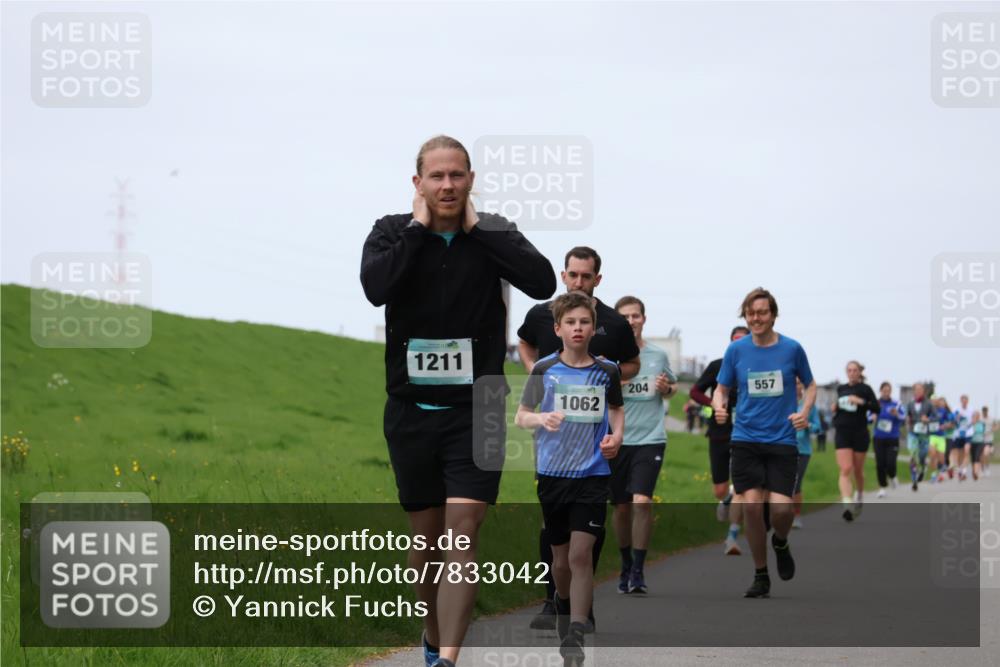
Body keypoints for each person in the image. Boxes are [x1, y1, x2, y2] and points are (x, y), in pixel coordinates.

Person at [360, 135, 556, 667]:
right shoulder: (390, 232)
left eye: (458, 175)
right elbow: (376, 288)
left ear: (471, 180)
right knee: (425, 550)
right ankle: (432, 633)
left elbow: (542, 281)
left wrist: (479, 231)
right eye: (437, 176)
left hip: (482, 408)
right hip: (411, 412)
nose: (448, 185)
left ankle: (447, 658)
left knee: (462, 535)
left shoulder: (492, 232)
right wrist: (419, 231)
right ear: (418, 183)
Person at [517, 246, 639, 632]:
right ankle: (557, 598)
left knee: (582, 550)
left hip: (593, 465)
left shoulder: (612, 335)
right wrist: (541, 397)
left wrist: (616, 435)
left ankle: (579, 619)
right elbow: (522, 411)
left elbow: (624, 381)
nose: (579, 281)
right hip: (553, 466)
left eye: (587, 276)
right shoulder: (541, 330)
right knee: (559, 550)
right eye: (573, 274)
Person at [712, 287, 816, 599]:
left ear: (773, 315)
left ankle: (780, 541)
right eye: (751, 313)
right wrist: (719, 405)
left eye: (762, 312)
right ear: (745, 315)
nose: (756, 318)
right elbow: (722, 387)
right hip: (745, 439)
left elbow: (810, 386)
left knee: (782, 510)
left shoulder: (792, 349)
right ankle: (761, 574)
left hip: (782, 440)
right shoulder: (737, 351)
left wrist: (804, 411)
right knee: (753, 507)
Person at [611, 295, 678, 594]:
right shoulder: (608, 357)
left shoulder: (657, 355)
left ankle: (638, 570)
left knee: (642, 501)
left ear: (644, 319)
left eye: (635, 316)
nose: (631, 321)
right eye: (624, 317)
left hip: (650, 439)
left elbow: (673, 386)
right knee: (622, 508)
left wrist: (667, 389)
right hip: (617, 439)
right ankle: (625, 563)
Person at [690, 325, 750, 555]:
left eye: (744, 340)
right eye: (735, 340)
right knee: (720, 489)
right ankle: (725, 500)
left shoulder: (754, 367)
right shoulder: (718, 365)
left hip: (745, 433)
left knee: (742, 487)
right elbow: (695, 392)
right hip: (719, 432)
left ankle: (732, 537)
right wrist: (714, 406)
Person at [830, 361, 880, 522]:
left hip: (859, 433)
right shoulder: (841, 389)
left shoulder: (865, 389)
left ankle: (859, 494)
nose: (852, 373)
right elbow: (838, 405)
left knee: (857, 470)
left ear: (860, 372)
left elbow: (876, 408)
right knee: (845, 468)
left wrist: (861, 402)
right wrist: (835, 406)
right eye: (849, 370)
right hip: (842, 432)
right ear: (846, 372)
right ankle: (847, 504)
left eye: (855, 370)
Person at [792, 378, 820, 529]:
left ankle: (796, 516)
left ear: (802, 385)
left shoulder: (810, 406)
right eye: (793, 382)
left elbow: (818, 428)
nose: (796, 385)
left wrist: (807, 424)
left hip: (803, 450)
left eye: (798, 382)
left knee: (796, 483)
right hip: (783, 448)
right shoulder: (783, 403)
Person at [873, 382, 906, 497]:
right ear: (880, 391)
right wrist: (873, 417)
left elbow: (903, 417)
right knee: (880, 464)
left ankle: (892, 476)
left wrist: (897, 414)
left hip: (893, 438)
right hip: (878, 438)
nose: (886, 392)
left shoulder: (897, 403)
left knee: (890, 463)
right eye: (884, 390)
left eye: (888, 390)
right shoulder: (875, 403)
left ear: (890, 391)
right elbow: (868, 416)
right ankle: (882, 487)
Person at [905, 383, 935, 491]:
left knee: (922, 456)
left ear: (924, 391)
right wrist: (908, 419)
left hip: (924, 434)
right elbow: (907, 415)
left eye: (920, 389)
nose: (918, 391)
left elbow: (936, 417)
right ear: (914, 391)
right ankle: (914, 480)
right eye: (916, 390)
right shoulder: (910, 404)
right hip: (912, 433)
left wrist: (928, 419)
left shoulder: (929, 404)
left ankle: (923, 467)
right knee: (913, 456)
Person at [953, 395, 975, 481]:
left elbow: (974, 419)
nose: (964, 402)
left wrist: (973, 421)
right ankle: (960, 469)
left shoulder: (971, 409)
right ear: (961, 401)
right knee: (959, 454)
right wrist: (957, 417)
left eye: (966, 400)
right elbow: (953, 419)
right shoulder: (956, 409)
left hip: (968, 433)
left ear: (968, 401)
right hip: (959, 433)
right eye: (963, 400)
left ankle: (964, 471)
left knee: (966, 451)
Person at [983, 406, 995, 477]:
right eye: (984, 411)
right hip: (983, 440)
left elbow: (996, 425)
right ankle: (986, 469)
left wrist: (992, 429)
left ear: (987, 411)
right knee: (985, 455)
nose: (985, 412)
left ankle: (986, 467)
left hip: (990, 439)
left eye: (986, 411)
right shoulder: (981, 419)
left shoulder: (991, 418)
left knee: (989, 454)